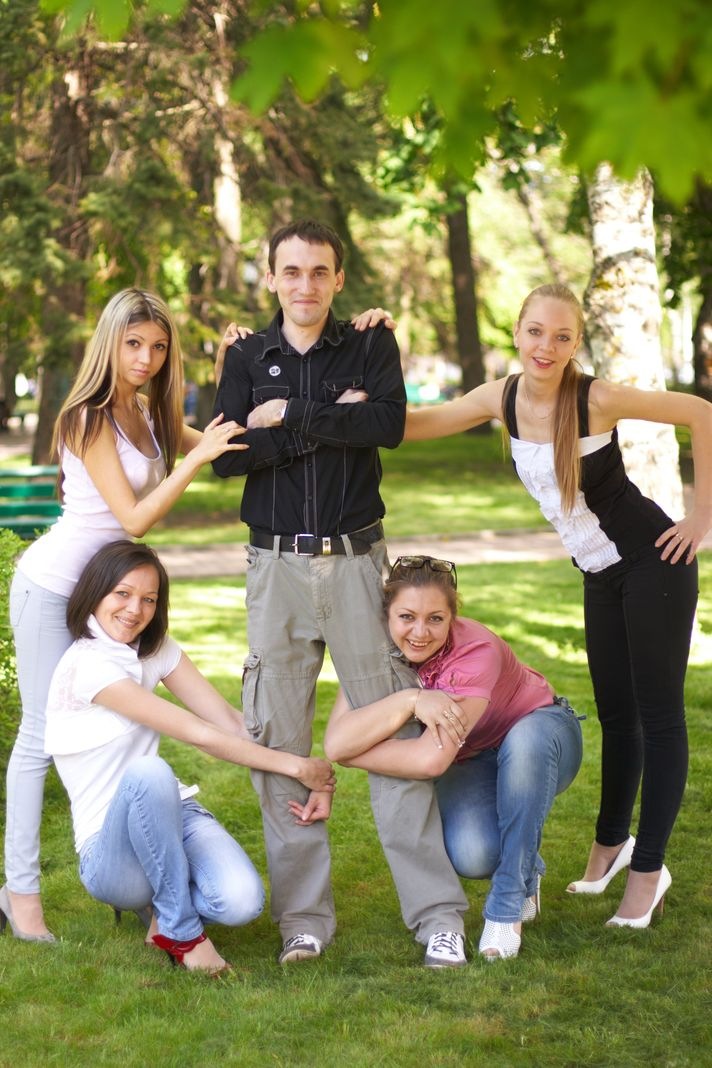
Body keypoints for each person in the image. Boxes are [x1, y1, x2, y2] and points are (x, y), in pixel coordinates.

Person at [403, 283, 712, 929]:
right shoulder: (502, 397)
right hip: (599, 574)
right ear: (518, 332)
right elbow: (416, 425)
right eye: (536, 332)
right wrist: (356, 401)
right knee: (617, 717)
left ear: (576, 344)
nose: (546, 346)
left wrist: (701, 517)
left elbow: (699, 412)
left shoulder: (594, 398)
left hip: (653, 565)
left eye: (562, 336)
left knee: (658, 719)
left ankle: (648, 871)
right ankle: (609, 847)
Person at [211, 219, 469, 967]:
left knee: (395, 735)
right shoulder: (244, 355)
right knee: (278, 744)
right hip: (275, 570)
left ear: (338, 278)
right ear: (270, 277)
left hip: (358, 565)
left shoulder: (369, 343)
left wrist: (288, 415)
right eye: (291, 271)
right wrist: (333, 420)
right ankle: (304, 922)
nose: (305, 285)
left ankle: (438, 916)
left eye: (319, 271)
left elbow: (386, 425)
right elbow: (229, 457)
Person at [3, 288, 246, 942]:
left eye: (159, 347)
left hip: (110, 594)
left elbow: (224, 440)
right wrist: (192, 460)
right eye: (134, 343)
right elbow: (135, 519)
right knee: (39, 736)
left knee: (122, 720)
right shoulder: (87, 417)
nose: (146, 358)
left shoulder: (145, 411)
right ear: (109, 342)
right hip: (54, 587)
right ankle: (20, 894)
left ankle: (134, 871)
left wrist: (234, 376)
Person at [32, 540, 334, 974]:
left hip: (174, 812)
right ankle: (184, 932)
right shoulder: (88, 666)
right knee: (148, 772)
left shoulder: (154, 649)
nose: (135, 609)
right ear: (95, 593)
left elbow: (228, 722)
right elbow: (198, 734)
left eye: (149, 599)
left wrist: (311, 772)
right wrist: (297, 767)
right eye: (122, 593)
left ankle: (161, 914)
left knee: (241, 902)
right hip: (109, 852)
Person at [317, 554, 583, 960]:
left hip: (542, 735)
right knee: (474, 854)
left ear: (452, 618)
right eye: (406, 617)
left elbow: (430, 761)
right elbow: (337, 741)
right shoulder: (376, 653)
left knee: (525, 743)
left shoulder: (476, 651)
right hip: (473, 756)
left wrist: (354, 756)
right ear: (387, 615)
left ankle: (508, 904)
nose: (420, 632)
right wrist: (411, 699)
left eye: (435, 619)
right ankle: (528, 865)